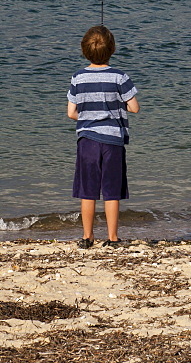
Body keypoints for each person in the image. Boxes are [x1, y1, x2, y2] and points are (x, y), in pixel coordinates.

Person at [67, 25, 139, 248]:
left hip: (87, 139)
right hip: (112, 141)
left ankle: (87, 237)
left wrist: (90, 116)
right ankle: (113, 238)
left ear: (84, 50)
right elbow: (134, 108)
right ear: (112, 49)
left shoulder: (78, 77)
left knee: (87, 191)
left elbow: (71, 113)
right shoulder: (119, 76)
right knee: (111, 191)